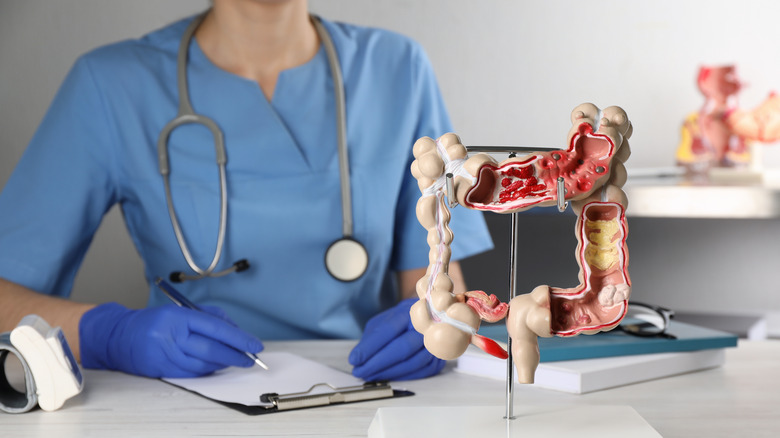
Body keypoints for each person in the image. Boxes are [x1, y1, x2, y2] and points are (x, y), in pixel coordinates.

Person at [0, 0, 492, 381]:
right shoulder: (111, 85)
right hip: (178, 396)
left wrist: (435, 324)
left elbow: (441, 279)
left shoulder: (397, 68)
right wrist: (107, 336)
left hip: (365, 388)